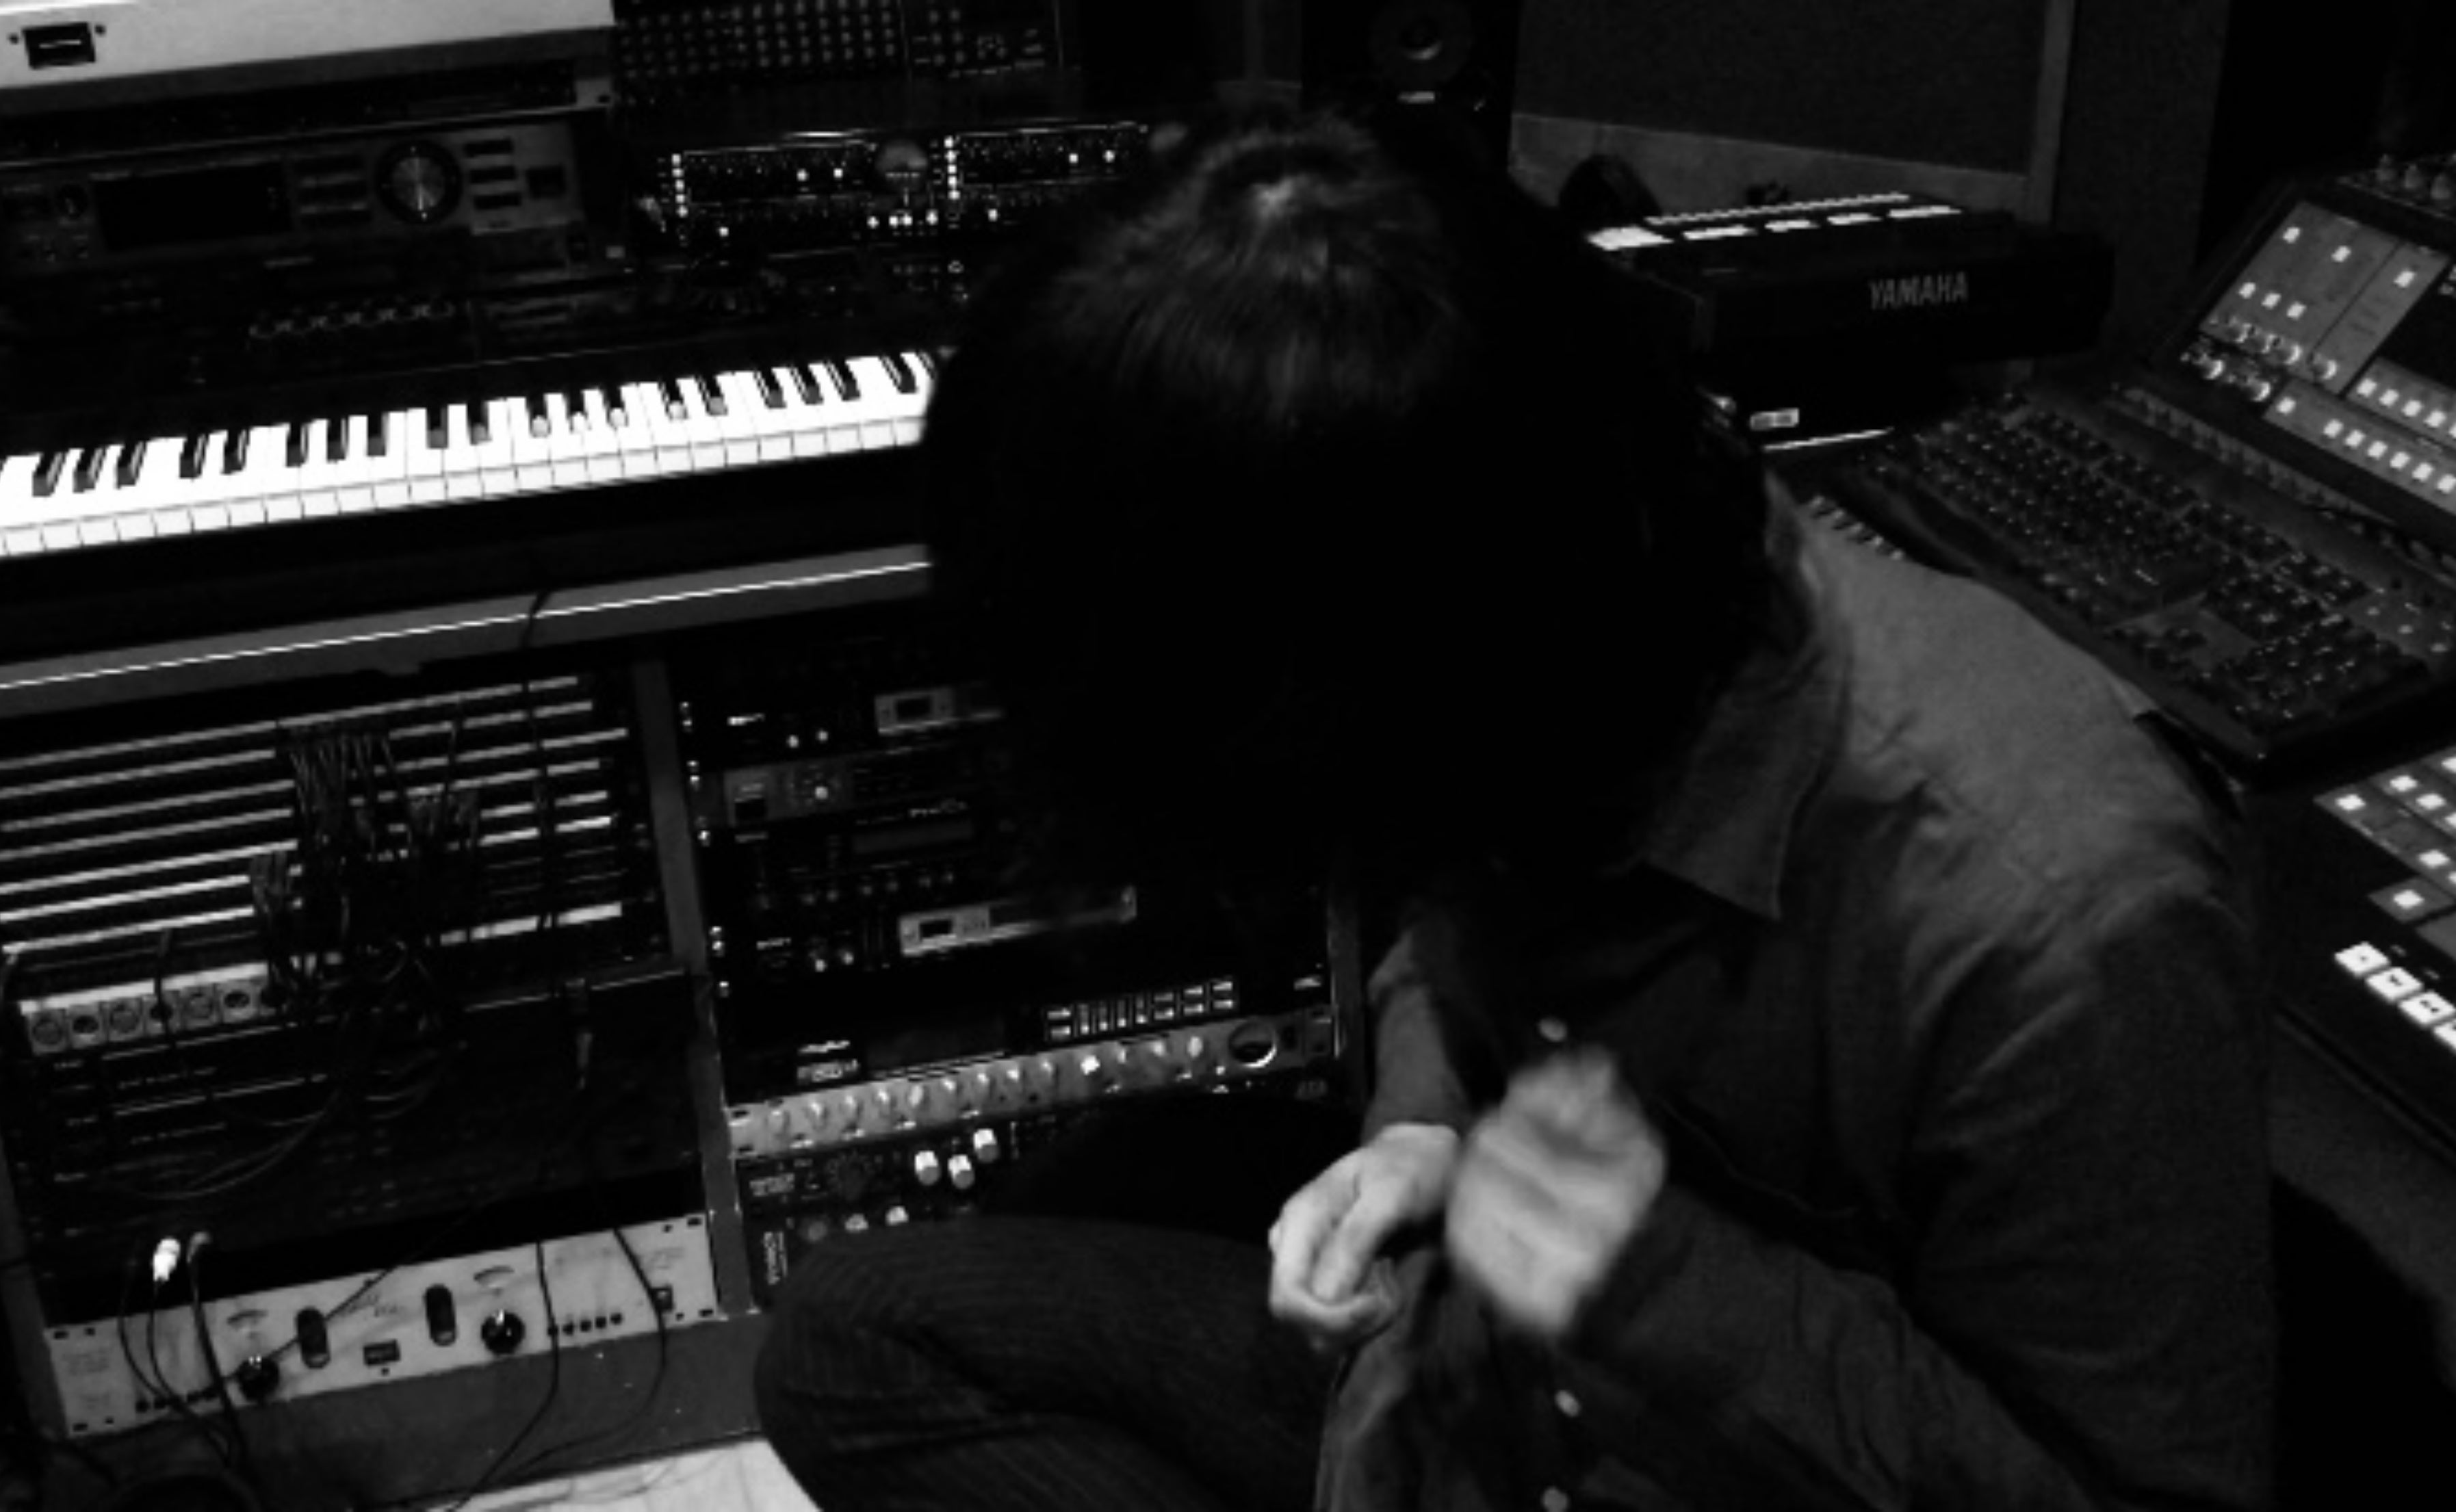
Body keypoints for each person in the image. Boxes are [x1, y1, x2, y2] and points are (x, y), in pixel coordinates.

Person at [752, 105, 2277, 1512]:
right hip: (1476, 1385)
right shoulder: (1537, 602)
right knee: (847, 1340)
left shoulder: (2059, 923)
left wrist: (1655, 1282)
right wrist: (1423, 1127)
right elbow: (1445, 919)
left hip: (1688, 1449)